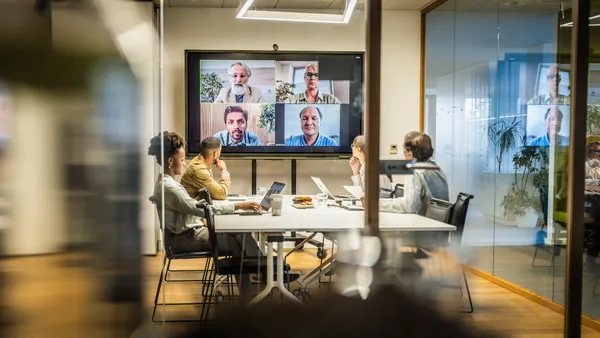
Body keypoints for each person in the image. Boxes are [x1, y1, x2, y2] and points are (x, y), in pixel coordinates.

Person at [148, 131, 262, 256]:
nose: (185, 163)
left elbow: (195, 207)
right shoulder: (169, 187)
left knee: (240, 233)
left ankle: (260, 270)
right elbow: (202, 210)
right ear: (170, 161)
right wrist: (239, 206)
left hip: (189, 232)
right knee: (234, 241)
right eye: (182, 159)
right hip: (184, 238)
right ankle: (258, 271)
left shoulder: (169, 184)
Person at [380, 132, 449, 215]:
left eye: (404, 152)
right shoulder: (436, 168)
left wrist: (377, 205)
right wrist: (379, 202)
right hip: (439, 224)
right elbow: (407, 201)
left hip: (423, 224)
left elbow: (409, 207)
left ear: (410, 154)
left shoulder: (415, 171)